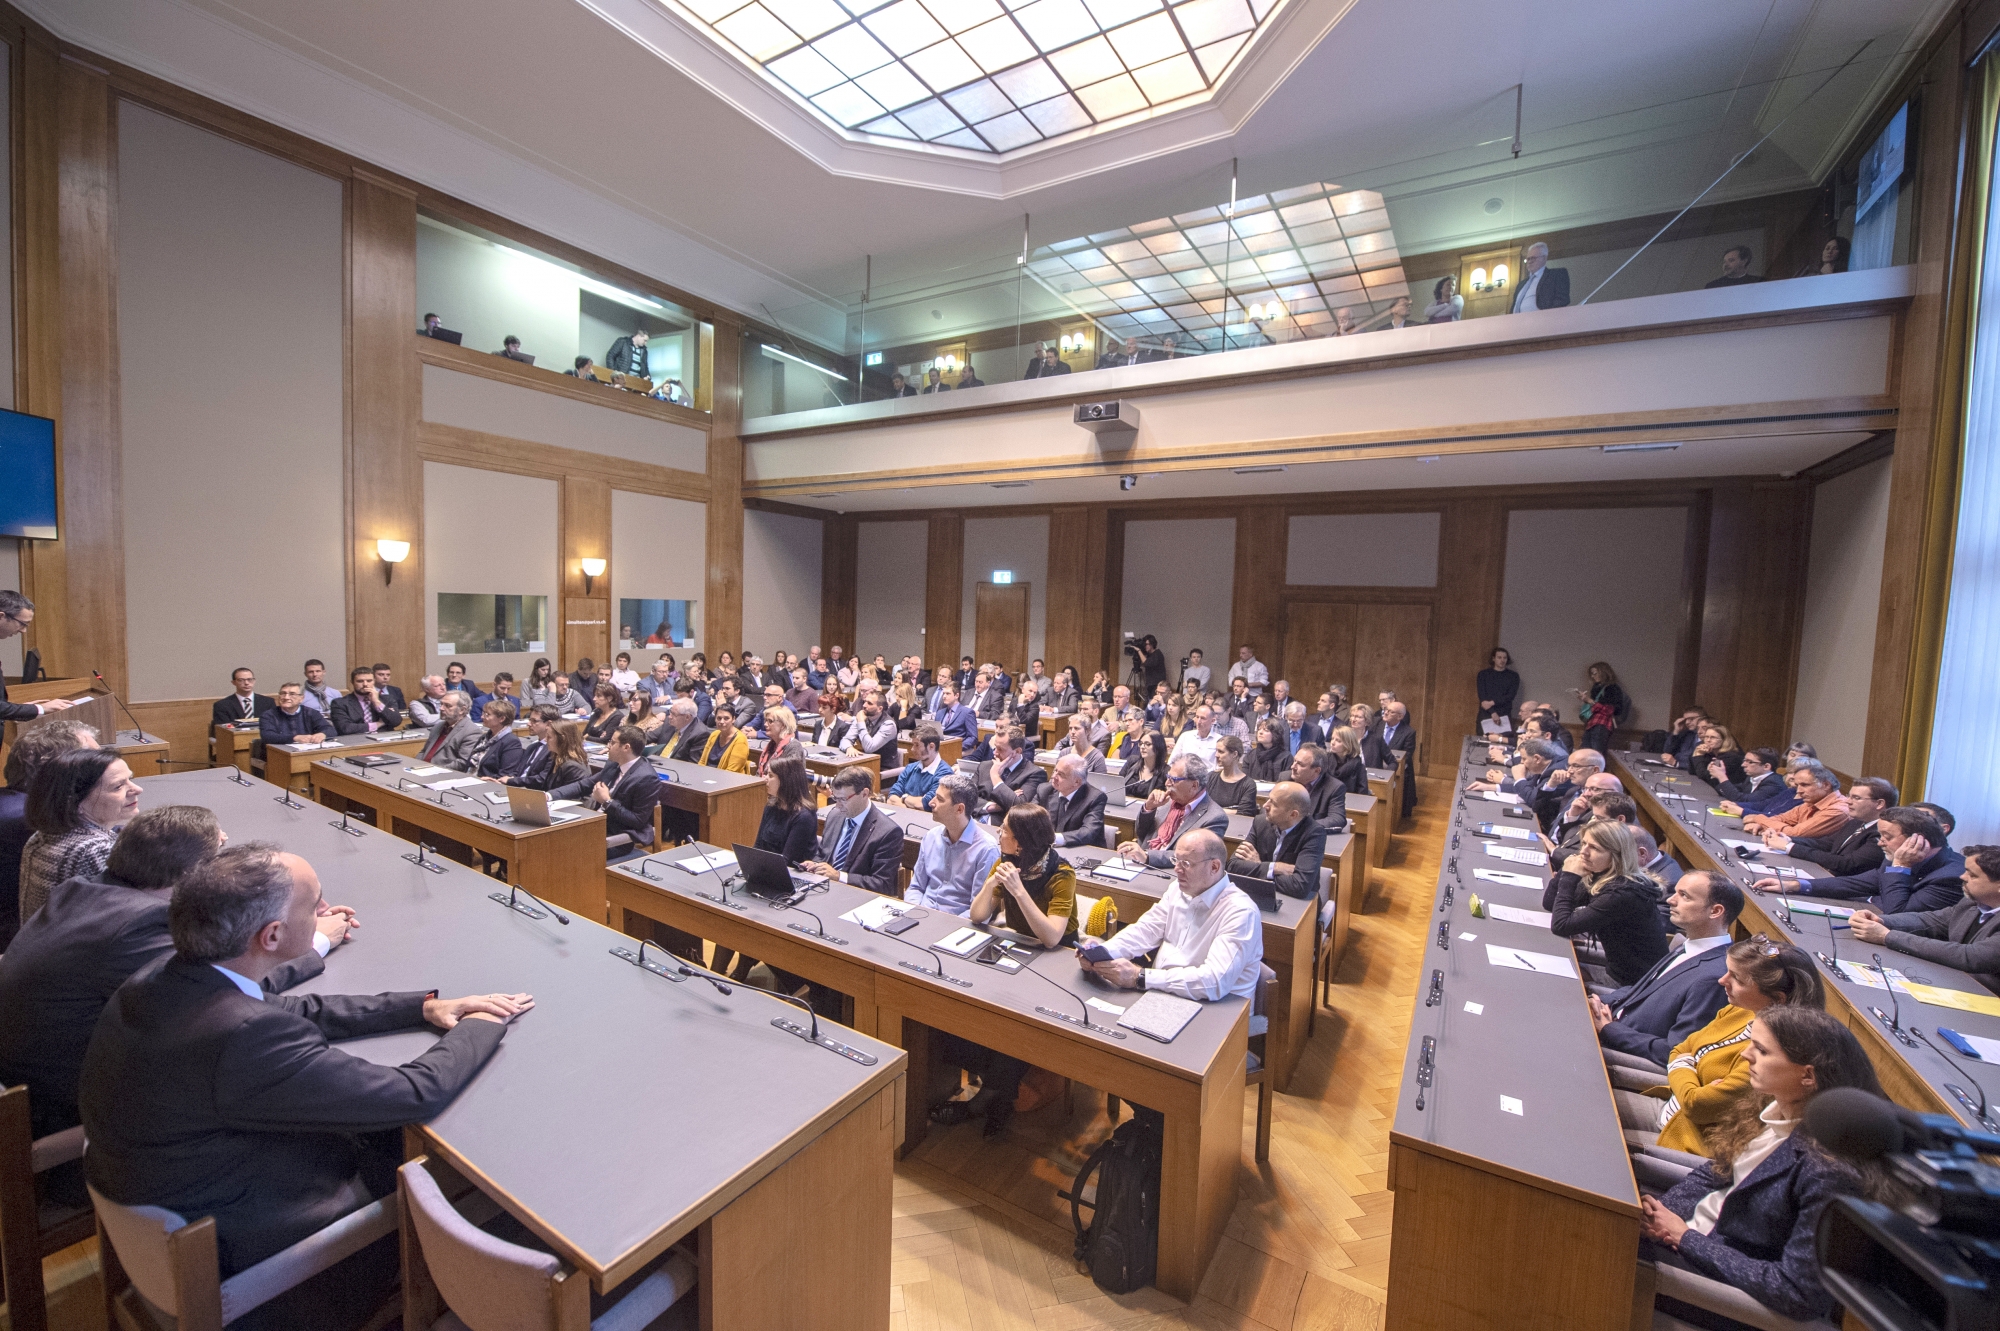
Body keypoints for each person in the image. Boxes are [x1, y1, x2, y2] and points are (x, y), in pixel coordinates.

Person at [79, 845, 526, 1331]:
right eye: (314, 906)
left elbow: (290, 1010)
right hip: (252, 1250)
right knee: (444, 1165)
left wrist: (419, 1007)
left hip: (169, 1196)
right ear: (271, 935)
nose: (324, 912)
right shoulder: (244, 1035)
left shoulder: (163, 979)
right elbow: (412, 1092)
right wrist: (480, 1025)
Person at [0, 808, 352, 1140]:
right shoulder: (139, 927)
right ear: (193, 875)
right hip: (57, 1107)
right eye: (221, 855)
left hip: (26, 1070)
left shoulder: (87, 890)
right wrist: (314, 941)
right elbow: (227, 990)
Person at [1640, 1008, 1884, 1328]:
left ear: (1808, 1076)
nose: (1745, 1054)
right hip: (1687, 1234)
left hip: (1715, 1284)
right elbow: (1714, 1172)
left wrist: (1684, 1238)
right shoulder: (1770, 1107)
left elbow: (1796, 1294)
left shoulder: (1829, 1172)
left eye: (1762, 1050)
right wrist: (1660, 1215)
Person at [1613, 937, 1822, 1156]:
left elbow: (1697, 1106)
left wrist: (1687, 1069)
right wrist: (1690, 1074)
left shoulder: (1771, 1057)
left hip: (1689, 1142)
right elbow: (1680, 1049)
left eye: (1737, 979)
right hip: (1670, 1107)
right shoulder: (1742, 1010)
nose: (1722, 980)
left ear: (1777, 999)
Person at [1083, 831, 1261, 1001]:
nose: (1176, 869)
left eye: (1186, 864)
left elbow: (1213, 982)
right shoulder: (1178, 888)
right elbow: (1146, 930)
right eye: (1176, 860)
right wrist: (1103, 954)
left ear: (1214, 867)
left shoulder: (1241, 912)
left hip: (1214, 1007)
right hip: (1161, 990)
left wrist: (1140, 977)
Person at [1592, 872, 1743, 1068]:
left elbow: (1674, 1051)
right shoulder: (1689, 945)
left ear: (1715, 911)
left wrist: (1609, 1030)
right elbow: (1643, 992)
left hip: (1620, 1050)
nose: (1671, 900)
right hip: (1611, 1025)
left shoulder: (1714, 978)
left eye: (1684, 896)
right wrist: (1597, 1002)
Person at [1757, 805, 1963, 916]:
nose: (1881, 843)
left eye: (1888, 837)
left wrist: (1901, 867)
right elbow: (1857, 882)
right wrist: (1794, 885)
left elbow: (1896, 912)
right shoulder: (1896, 856)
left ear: (1918, 840)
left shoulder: (1951, 877)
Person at [1, 721, 100, 949]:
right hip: (22, 945)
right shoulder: (31, 820)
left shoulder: (11, 802)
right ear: (61, 771)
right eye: (95, 762)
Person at [1846, 843, 2000, 989]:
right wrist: (1879, 920)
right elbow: (1931, 920)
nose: (1962, 877)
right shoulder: (1971, 903)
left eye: (1972, 875)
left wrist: (1887, 936)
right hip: (1954, 982)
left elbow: (1969, 957)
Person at [20, 748, 141, 923]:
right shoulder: (94, 850)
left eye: (131, 779)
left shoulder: (41, 837)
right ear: (75, 801)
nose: (137, 789)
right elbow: (127, 921)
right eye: (118, 786)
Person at [1546, 820, 1669, 987]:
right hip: (1615, 967)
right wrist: (1567, 868)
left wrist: (1569, 876)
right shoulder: (1604, 875)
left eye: (1595, 848)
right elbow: (1550, 904)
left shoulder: (1623, 892)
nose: (1584, 852)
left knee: (1555, 981)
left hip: (1629, 985)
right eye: (1584, 844)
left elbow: (1561, 925)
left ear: (1617, 856)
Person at [904, 776, 999, 916]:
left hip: (958, 923)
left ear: (959, 809)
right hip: (921, 914)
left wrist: (948, 926)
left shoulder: (986, 850)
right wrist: (915, 912)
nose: (931, 803)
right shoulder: (931, 837)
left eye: (939, 799)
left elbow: (979, 910)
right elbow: (916, 887)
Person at [802, 769, 903, 895]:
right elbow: (822, 855)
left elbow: (882, 884)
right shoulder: (834, 816)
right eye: (835, 798)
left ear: (864, 794)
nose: (838, 806)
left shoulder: (888, 832)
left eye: (843, 799)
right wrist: (815, 865)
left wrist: (839, 877)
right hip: (825, 890)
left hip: (857, 898)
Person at [1763, 776, 1894, 874]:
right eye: (1849, 796)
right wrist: (1787, 838)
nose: (1848, 801)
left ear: (1879, 804)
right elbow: (1827, 843)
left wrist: (1789, 847)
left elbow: (1846, 863)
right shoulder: (1856, 821)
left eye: (1856, 798)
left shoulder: (1883, 833)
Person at [1124, 755, 1228, 870]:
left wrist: (1148, 856)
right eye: (1168, 777)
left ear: (1194, 785)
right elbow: (1141, 833)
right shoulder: (1167, 802)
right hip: (1140, 864)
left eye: (1174, 780)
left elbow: (1190, 856)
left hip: (1173, 873)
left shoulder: (1214, 817)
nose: (1167, 783)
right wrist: (1149, 808)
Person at [1230, 781, 1326, 900]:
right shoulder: (1261, 822)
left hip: (1298, 904)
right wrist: (1274, 868)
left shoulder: (1314, 834)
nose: (1265, 805)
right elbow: (1233, 866)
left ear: (1293, 815)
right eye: (1268, 799)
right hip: (1259, 895)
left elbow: (1300, 886)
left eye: (1273, 803)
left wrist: (1259, 866)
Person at [1739, 760, 1850, 840]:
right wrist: (1764, 825)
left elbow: (1795, 833)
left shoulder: (1838, 809)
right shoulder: (1813, 801)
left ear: (1826, 785)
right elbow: (1782, 818)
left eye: (1804, 785)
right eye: (1797, 785)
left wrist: (1760, 819)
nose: (1798, 791)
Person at [973, 729, 1048, 821]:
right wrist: (991, 806)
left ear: (1017, 751)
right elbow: (966, 797)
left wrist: (995, 776)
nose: (995, 753)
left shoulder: (1035, 774)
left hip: (1003, 828)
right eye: (995, 747)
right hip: (974, 821)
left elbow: (1019, 807)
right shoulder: (985, 766)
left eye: (1000, 749)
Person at [754, 754, 818, 864]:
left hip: (790, 874)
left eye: (770, 775)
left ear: (785, 780)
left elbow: (788, 860)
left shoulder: (804, 817)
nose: (765, 779)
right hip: (768, 870)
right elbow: (758, 846)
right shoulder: (771, 806)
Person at [1039, 753, 1108, 850]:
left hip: (1083, 851)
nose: (1054, 776)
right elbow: (1029, 818)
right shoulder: (1044, 790)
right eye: (1055, 771)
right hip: (1050, 850)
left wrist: (1053, 839)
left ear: (1077, 782)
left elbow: (1088, 832)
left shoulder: (1094, 798)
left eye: (1061, 774)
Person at [1365, 700, 1419, 816]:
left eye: (1390, 711)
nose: (1385, 713)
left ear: (1400, 716)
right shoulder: (1375, 723)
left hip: (1394, 767)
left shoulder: (1408, 732)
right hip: (1373, 764)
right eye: (1386, 710)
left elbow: (1407, 755)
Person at [887, 724, 953, 810]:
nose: (912, 749)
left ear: (931, 746)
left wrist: (904, 797)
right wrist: (909, 806)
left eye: (917, 745)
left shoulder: (945, 774)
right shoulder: (910, 768)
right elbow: (891, 797)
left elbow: (924, 804)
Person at [415, 690, 483, 770]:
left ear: (462, 710)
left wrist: (433, 770)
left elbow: (463, 762)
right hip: (422, 771)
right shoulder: (438, 726)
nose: (441, 708)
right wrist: (416, 766)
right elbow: (424, 752)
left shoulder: (471, 731)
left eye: (447, 706)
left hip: (443, 775)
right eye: (441, 704)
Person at [1570, 662, 1626, 752]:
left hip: (1602, 723)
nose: (1592, 676)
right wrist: (1586, 700)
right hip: (1592, 722)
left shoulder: (1612, 688)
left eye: (1595, 673)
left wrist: (1590, 701)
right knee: (1585, 751)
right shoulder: (1596, 688)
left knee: (1596, 753)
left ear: (1603, 672)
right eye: (1591, 674)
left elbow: (1612, 710)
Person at [1289, 743, 1349, 829]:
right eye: (1294, 761)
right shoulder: (1285, 779)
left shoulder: (1334, 787)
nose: (1292, 767)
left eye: (1300, 764)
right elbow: (1270, 807)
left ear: (1317, 770)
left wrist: (1302, 827)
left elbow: (1337, 819)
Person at [329, 666, 401, 735]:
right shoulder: (340, 703)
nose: (365, 684)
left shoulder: (387, 699)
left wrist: (377, 702)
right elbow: (345, 728)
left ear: (374, 681)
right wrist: (378, 724)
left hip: (384, 739)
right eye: (360, 681)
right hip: (356, 741)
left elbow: (396, 721)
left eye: (369, 681)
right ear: (352, 682)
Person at [464, 698, 525, 779]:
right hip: (471, 778)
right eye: (483, 713)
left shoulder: (511, 742)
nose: (482, 717)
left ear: (501, 719)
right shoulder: (484, 737)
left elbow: (505, 774)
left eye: (487, 714)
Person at [260, 682, 330, 747]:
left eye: (292, 694)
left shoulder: (311, 713)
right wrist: (295, 738)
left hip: (306, 752)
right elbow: (268, 736)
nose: (286, 697)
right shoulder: (268, 715)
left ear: (301, 698)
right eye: (283, 693)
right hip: (279, 754)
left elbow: (329, 729)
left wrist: (322, 734)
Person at [1510, 241, 1570, 312]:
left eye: (1533, 258)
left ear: (1544, 258)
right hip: (1517, 321)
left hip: (1544, 320)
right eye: (1528, 259)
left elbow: (1562, 300)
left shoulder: (1556, 275)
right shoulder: (1521, 284)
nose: (1529, 261)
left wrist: (1547, 316)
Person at [691, 703, 752, 772]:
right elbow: (702, 761)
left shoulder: (740, 740)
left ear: (733, 719)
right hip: (706, 776)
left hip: (728, 779)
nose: (722, 722)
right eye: (719, 718)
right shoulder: (714, 735)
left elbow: (732, 771)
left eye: (726, 718)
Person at [1207, 735, 1258, 814]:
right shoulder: (1211, 777)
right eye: (1216, 751)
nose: (1216, 755)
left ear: (1234, 754)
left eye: (1221, 752)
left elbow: (1244, 813)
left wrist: (1212, 811)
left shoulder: (1248, 784)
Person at [1477, 648, 1520, 731]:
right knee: (1483, 740)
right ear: (1493, 659)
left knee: (1501, 741)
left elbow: (1510, 696)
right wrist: (1493, 712)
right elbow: (1482, 696)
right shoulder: (1483, 674)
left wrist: (1492, 702)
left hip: (1504, 713)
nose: (1502, 660)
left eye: (1505, 658)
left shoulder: (1513, 676)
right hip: (1486, 713)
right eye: (1499, 657)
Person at [1123, 730, 1170, 799]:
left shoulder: (1166, 771)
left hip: (1148, 808)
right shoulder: (1132, 761)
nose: (1142, 747)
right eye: (1141, 743)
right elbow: (1118, 783)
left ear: (1158, 747)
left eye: (1147, 744)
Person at [1325, 725, 1370, 795]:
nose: (1332, 743)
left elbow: (1362, 793)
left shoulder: (1358, 765)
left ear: (1348, 744)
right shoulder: (1325, 760)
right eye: (1332, 738)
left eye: (1338, 741)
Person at [1246, 718, 1290, 783]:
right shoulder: (1250, 755)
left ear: (1275, 734)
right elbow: (1244, 780)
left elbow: (1286, 783)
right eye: (1259, 729)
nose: (1260, 732)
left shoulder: (1286, 757)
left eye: (1266, 730)